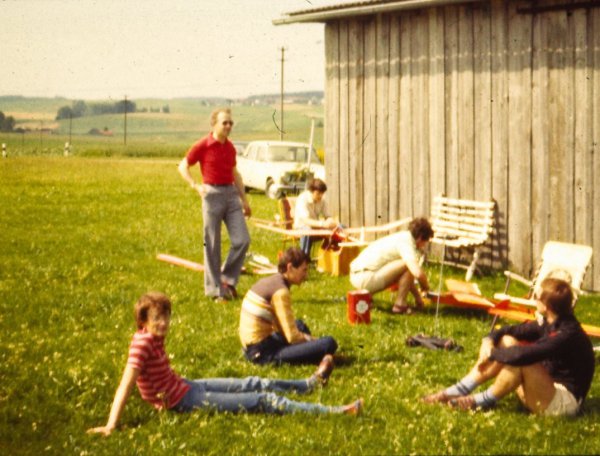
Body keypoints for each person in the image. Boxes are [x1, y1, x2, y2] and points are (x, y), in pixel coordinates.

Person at [87, 292, 363, 436]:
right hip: (181, 399)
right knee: (263, 399)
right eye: (157, 318)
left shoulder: (153, 337)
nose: (164, 323)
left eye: (166, 317)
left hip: (183, 386)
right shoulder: (142, 343)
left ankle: (308, 384)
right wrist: (112, 424)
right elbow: (126, 383)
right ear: (143, 322)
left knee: (253, 382)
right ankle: (335, 411)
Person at [422, 277, 595, 416]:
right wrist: (488, 341)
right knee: (507, 340)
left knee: (522, 359)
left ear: (546, 306)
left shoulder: (567, 334)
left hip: (563, 404)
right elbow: (509, 330)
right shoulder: (550, 322)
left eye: (536, 297)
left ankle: (479, 401)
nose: (534, 300)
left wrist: (492, 354)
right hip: (544, 388)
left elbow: (522, 356)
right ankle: (456, 391)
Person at [178, 108, 251, 302]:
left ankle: (227, 280)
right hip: (212, 195)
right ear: (214, 124)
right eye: (224, 123)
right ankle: (216, 290)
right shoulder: (203, 144)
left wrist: (244, 200)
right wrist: (195, 186)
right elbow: (183, 166)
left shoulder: (230, 147)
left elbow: (235, 174)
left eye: (230, 123)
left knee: (242, 240)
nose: (228, 126)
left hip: (231, 195)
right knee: (212, 243)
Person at [240, 247, 338, 365]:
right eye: (304, 270)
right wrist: (313, 340)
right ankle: (319, 355)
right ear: (290, 267)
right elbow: (292, 337)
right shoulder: (281, 292)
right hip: (262, 353)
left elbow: (280, 325)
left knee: (299, 325)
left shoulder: (272, 281)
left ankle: (315, 353)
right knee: (328, 343)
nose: (306, 276)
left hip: (253, 346)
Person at [349, 217, 434, 314]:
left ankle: (367, 296)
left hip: (357, 275)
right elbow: (417, 273)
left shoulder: (402, 237)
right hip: (365, 278)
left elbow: (406, 277)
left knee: (407, 266)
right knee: (409, 265)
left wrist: (418, 298)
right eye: (425, 241)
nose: (424, 245)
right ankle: (400, 305)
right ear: (420, 237)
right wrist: (425, 287)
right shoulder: (406, 243)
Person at [293, 178, 337, 256]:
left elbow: (328, 215)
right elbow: (305, 221)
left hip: (316, 227)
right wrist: (322, 224)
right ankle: (304, 259)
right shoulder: (303, 199)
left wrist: (331, 221)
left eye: (322, 193)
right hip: (301, 227)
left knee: (339, 228)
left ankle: (331, 257)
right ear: (311, 191)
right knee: (307, 231)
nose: (320, 196)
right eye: (318, 193)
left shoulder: (322, 200)